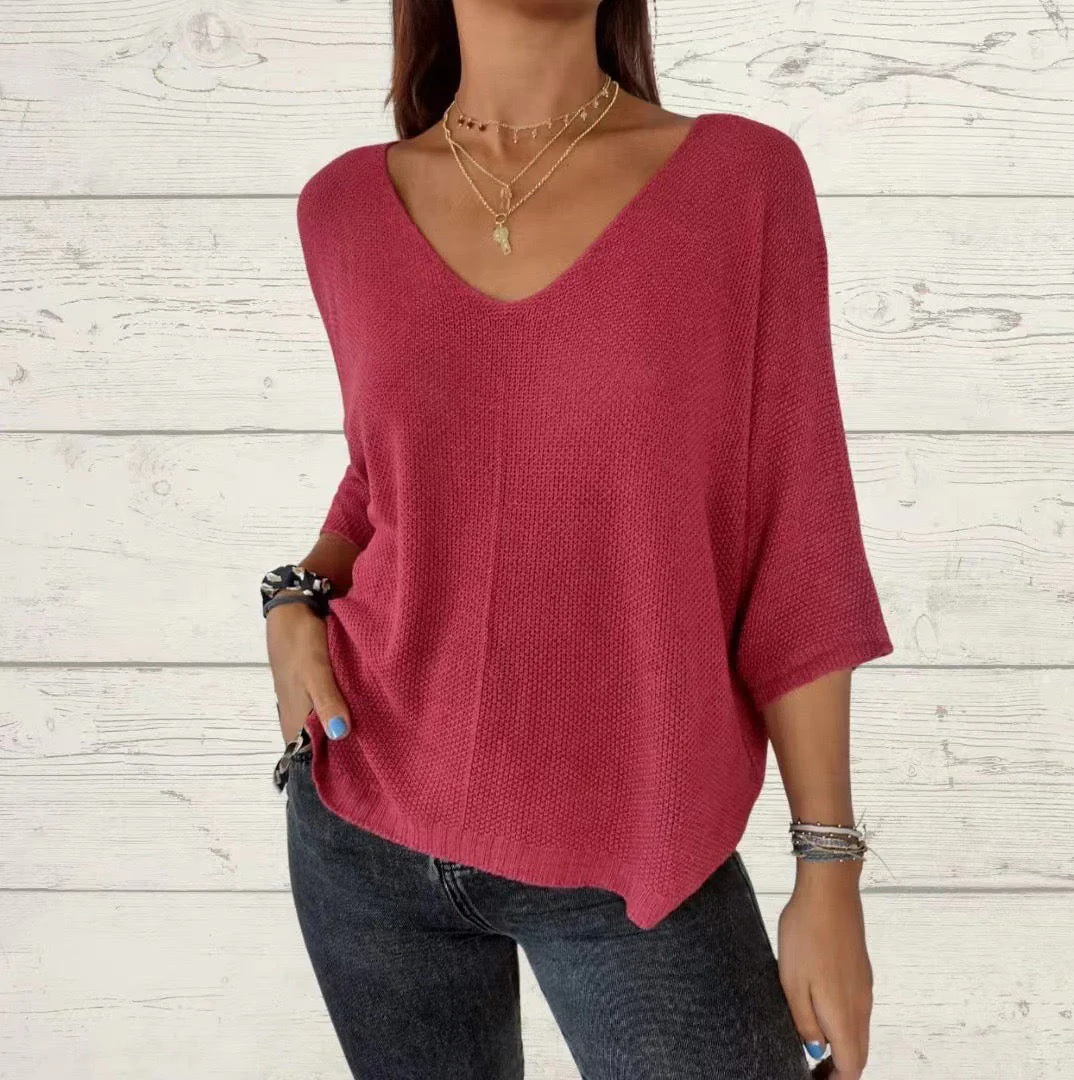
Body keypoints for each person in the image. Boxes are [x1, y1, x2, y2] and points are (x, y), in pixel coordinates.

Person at [261, 2, 894, 1078]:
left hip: (637, 839)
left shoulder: (741, 183)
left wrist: (826, 867)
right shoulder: (343, 207)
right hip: (366, 820)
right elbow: (388, 474)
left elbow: (800, 527)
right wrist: (292, 599)